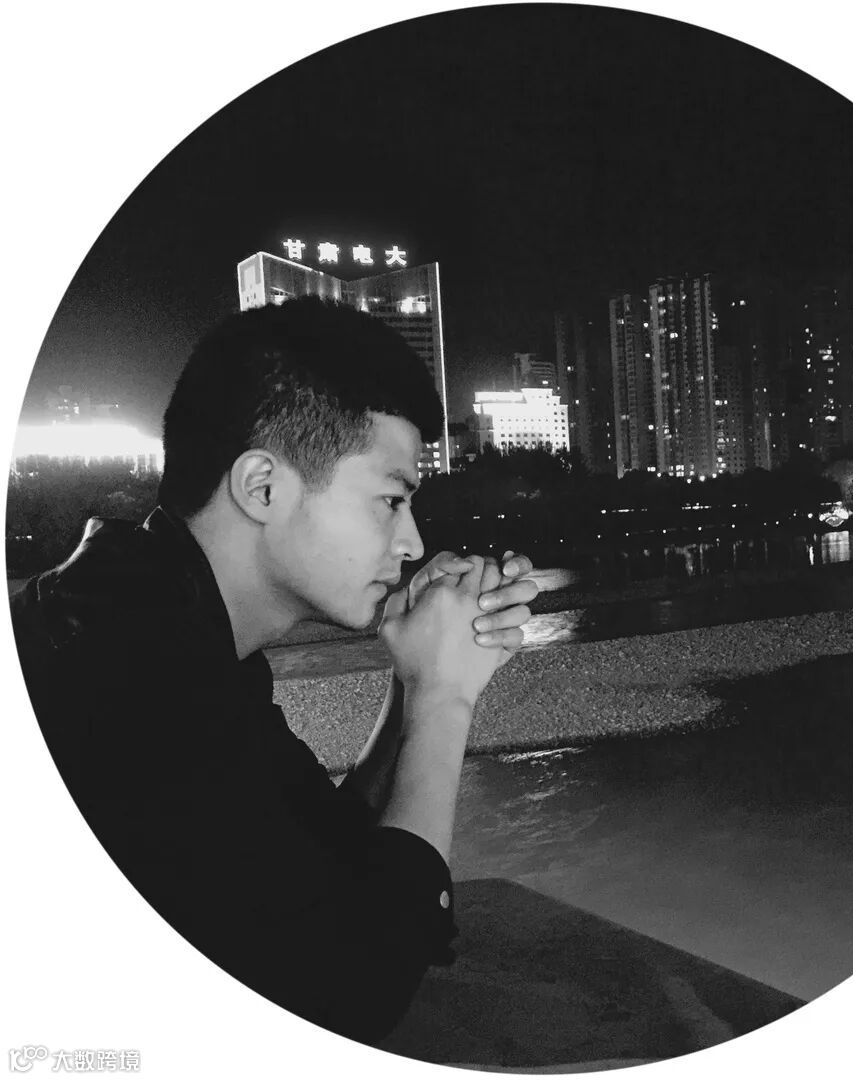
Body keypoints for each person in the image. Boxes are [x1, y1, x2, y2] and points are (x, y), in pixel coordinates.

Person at [9, 297, 539, 1045]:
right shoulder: (129, 675)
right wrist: (446, 698)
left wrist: (412, 683)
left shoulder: (162, 617)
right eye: (390, 500)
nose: (413, 543)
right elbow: (350, 996)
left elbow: (321, 852)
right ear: (262, 487)